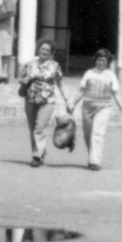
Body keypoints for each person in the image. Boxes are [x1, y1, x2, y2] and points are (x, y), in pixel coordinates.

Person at [20, 37, 69, 167]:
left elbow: (60, 83)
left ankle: (37, 156)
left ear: (51, 52)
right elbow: (21, 79)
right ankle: (39, 153)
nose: (45, 52)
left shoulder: (54, 66)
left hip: (47, 101)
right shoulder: (29, 64)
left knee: (40, 127)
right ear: (38, 49)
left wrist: (67, 99)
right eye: (43, 49)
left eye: (48, 50)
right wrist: (24, 81)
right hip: (30, 99)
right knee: (33, 129)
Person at [76, 49, 122, 171]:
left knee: (98, 133)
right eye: (99, 60)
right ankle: (92, 156)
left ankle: (95, 161)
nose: (101, 62)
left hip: (104, 107)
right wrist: (72, 104)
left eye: (103, 60)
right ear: (95, 60)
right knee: (88, 135)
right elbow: (81, 91)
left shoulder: (111, 75)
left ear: (107, 62)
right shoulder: (89, 73)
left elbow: (116, 94)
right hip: (88, 107)